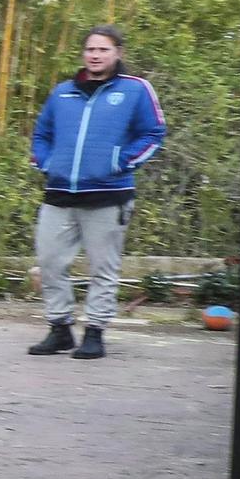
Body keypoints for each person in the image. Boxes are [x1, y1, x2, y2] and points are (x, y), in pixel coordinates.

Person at [27, 24, 165, 360]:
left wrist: (120, 161)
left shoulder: (135, 90)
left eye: (103, 49)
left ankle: (95, 332)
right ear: (83, 53)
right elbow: (41, 134)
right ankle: (60, 329)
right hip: (59, 193)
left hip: (108, 194)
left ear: (118, 53)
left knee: (102, 267)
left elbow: (154, 132)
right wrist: (45, 163)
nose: (95, 55)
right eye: (90, 49)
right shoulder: (62, 92)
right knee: (49, 262)